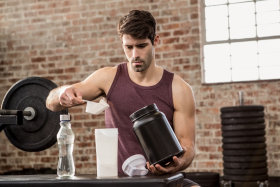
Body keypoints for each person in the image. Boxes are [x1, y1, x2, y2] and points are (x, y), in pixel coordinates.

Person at [46, 10, 198, 187]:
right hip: (120, 183)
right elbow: (51, 102)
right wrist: (63, 93)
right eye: (129, 47)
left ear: (155, 40)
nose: (135, 55)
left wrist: (178, 163)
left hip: (165, 180)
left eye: (141, 46)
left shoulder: (179, 88)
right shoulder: (108, 78)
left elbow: (188, 146)